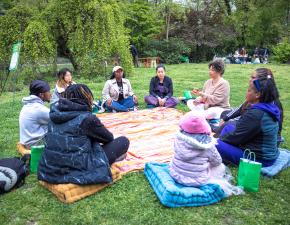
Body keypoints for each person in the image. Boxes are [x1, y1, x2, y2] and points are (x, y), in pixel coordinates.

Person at [38, 84, 130, 184]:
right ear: (86, 98)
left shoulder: (54, 115)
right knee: (123, 141)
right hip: (78, 166)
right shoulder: (87, 118)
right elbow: (108, 138)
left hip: (51, 168)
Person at [169, 112, 242, 196]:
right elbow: (217, 162)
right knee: (220, 166)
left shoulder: (179, 139)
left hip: (175, 174)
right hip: (197, 180)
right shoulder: (208, 145)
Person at [216, 73, 280, 167]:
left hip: (259, 159)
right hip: (263, 152)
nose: (247, 93)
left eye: (249, 90)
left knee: (213, 145)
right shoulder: (267, 106)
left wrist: (218, 140)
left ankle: (220, 155)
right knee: (228, 127)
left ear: (258, 94)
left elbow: (236, 137)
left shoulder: (256, 114)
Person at [19, 80, 51, 148]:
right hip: (35, 145)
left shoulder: (28, 104)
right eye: (48, 91)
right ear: (41, 95)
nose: (50, 94)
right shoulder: (38, 109)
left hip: (27, 142)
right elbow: (57, 118)